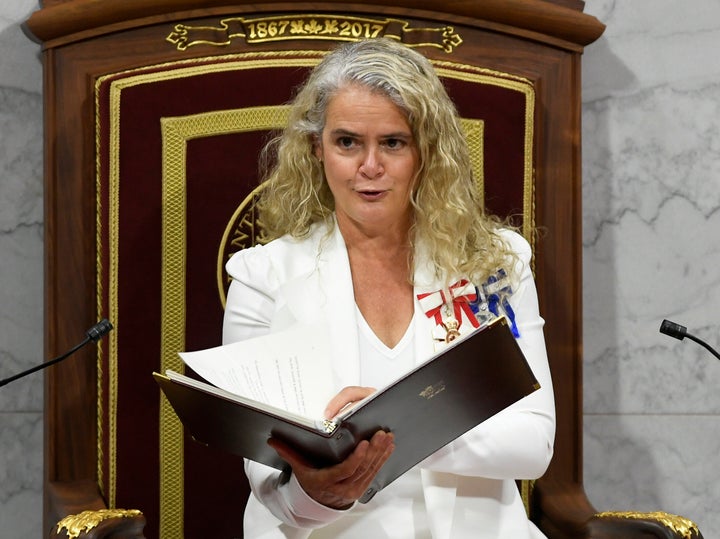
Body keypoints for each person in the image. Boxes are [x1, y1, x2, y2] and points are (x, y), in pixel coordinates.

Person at [222, 37, 555, 539]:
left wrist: (394, 427)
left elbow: (534, 444)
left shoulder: (494, 264)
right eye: (348, 142)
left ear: (426, 152)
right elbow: (268, 477)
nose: (370, 167)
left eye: (394, 143)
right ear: (317, 149)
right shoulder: (262, 277)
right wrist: (319, 492)